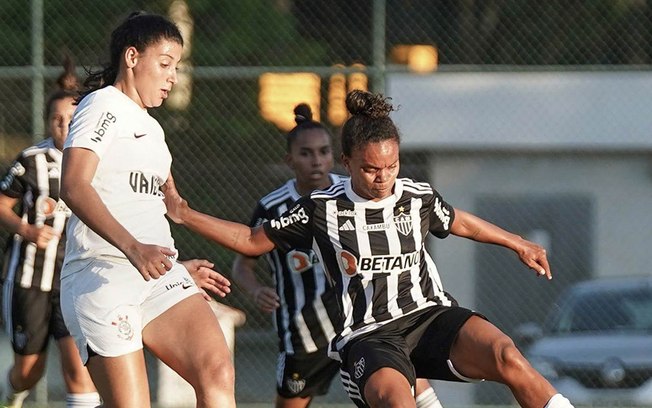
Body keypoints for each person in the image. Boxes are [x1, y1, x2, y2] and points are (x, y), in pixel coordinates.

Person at [164, 90, 577, 408]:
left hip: (429, 316)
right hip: (369, 335)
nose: (383, 178)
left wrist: (516, 242)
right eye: (370, 168)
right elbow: (251, 240)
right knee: (398, 402)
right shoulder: (320, 208)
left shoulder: (417, 197)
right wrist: (184, 213)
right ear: (346, 162)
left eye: (392, 166)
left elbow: (460, 221)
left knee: (508, 356)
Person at [58, 11, 235, 408]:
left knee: (217, 371)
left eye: (178, 67)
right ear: (132, 58)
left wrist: (175, 264)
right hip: (102, 275)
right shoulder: (103, 105)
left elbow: (148, 207)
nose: (173, 76)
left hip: (157, 276)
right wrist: (134, 249)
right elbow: (73, 185)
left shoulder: (153, 129)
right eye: (165, 64)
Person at [231, 104, 442, 408]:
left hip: (364, 323)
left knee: (411, 385)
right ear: (289, 159)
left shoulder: (356, 191)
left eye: (323, 151)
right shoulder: (273, 207)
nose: (316, 160)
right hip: (307, 333)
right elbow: (243, 262)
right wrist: (255, 290)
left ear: (337, 156)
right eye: (306, 153)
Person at [0, 58, 101, 408]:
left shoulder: (97, 163)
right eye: (56, 120)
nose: (63, 126)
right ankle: (12, 396)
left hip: (74, 280)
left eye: (71, 120)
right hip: (30, 278)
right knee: (30, 370)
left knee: (79, 369)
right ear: (48, 123)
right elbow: (1, 205)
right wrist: (25, 229)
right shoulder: (31, 160)